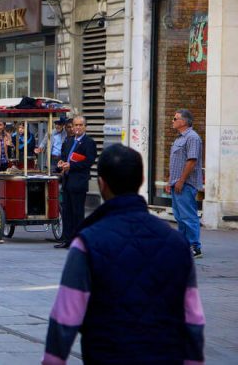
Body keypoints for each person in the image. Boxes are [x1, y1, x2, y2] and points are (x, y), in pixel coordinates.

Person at [43, 145, 205, 364]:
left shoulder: (87, 243)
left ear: (102, 183)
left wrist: (53, 360)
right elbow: (193, 317)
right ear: (141, 180)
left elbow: (65, 316)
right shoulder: (177, 243)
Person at [166, 108, 204, 258]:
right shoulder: (179, 138)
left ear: (184, 122)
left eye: (175, 119)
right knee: (179, 216)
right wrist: (170, 181)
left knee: (189, 216)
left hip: (186, 184)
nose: (172, 121)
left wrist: (181, 181)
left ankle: (196, 247)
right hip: (176, 183)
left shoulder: (192, 137)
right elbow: (176, 162)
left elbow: (192, 161)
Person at [55, 116, 97, 249]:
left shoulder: (89, 142)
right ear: (72, 127)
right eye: (75, 125)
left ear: (85, 127)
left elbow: (89, 161)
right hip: (67, 181)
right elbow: (63, 156)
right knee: (66, 212)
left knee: (77, 213)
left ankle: (78, 241)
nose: (77, 127)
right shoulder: (68, 141)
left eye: (80, 125)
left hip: (78, 182)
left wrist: (71, 166)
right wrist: (60, 163)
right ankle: (67, 239)